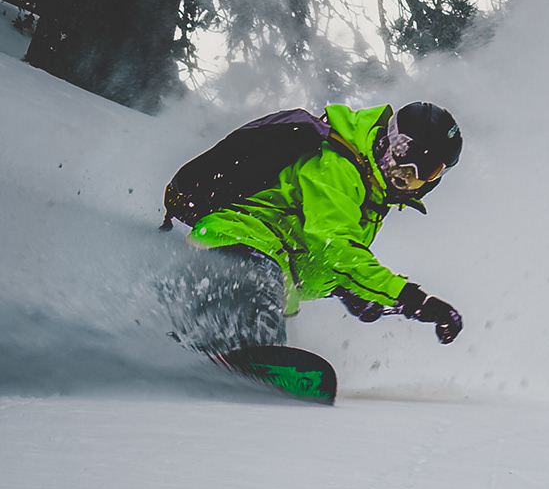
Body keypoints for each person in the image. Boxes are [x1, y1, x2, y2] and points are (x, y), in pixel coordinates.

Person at [162, 101, 466, 354]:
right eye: (405, 150)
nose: (409, 171)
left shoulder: (371, 193)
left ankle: (187, 349)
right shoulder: (339, 166)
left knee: (256, 324)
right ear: (388, 137)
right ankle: (229, 356)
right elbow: (333, 245)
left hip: (255, 255)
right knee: (251, 324)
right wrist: (411, 298)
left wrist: (344, 289)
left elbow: (309, 250)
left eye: (427, 168)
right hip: (236, 242)